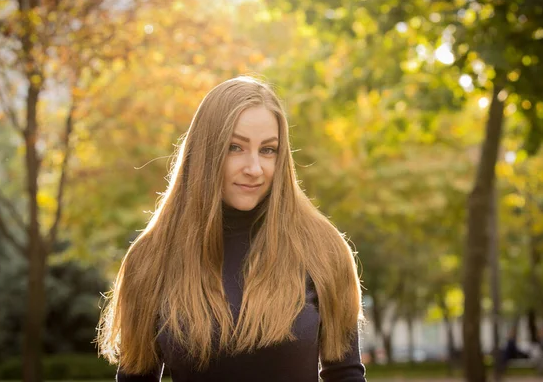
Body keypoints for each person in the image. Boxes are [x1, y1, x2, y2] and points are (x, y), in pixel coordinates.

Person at [96, 76, 366, 381]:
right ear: (206, 152)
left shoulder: (322, 248)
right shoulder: (151, 258)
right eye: (235, 147)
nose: (254, 168)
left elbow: (345, 375)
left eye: (268, 150)